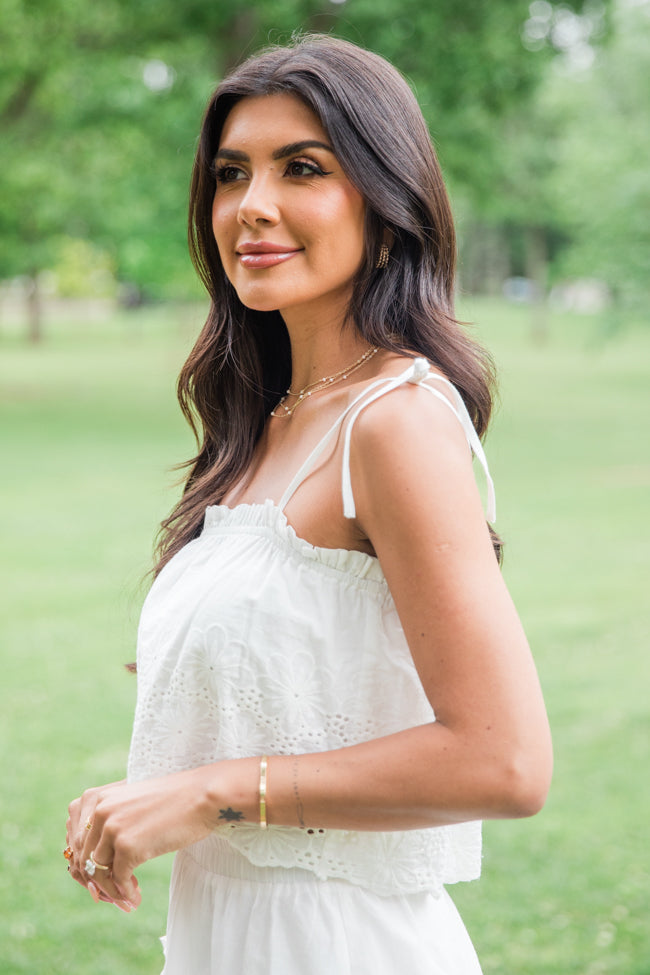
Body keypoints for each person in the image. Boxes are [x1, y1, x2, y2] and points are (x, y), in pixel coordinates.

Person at [65, 34, 552, 974]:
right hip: (225, 936)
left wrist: (210, 790)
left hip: (335, 943)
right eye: (230, 174)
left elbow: (505, 760)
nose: (253, 207)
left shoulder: (394, 420)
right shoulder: (270, 419)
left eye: (304, 168)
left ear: (385, 201)